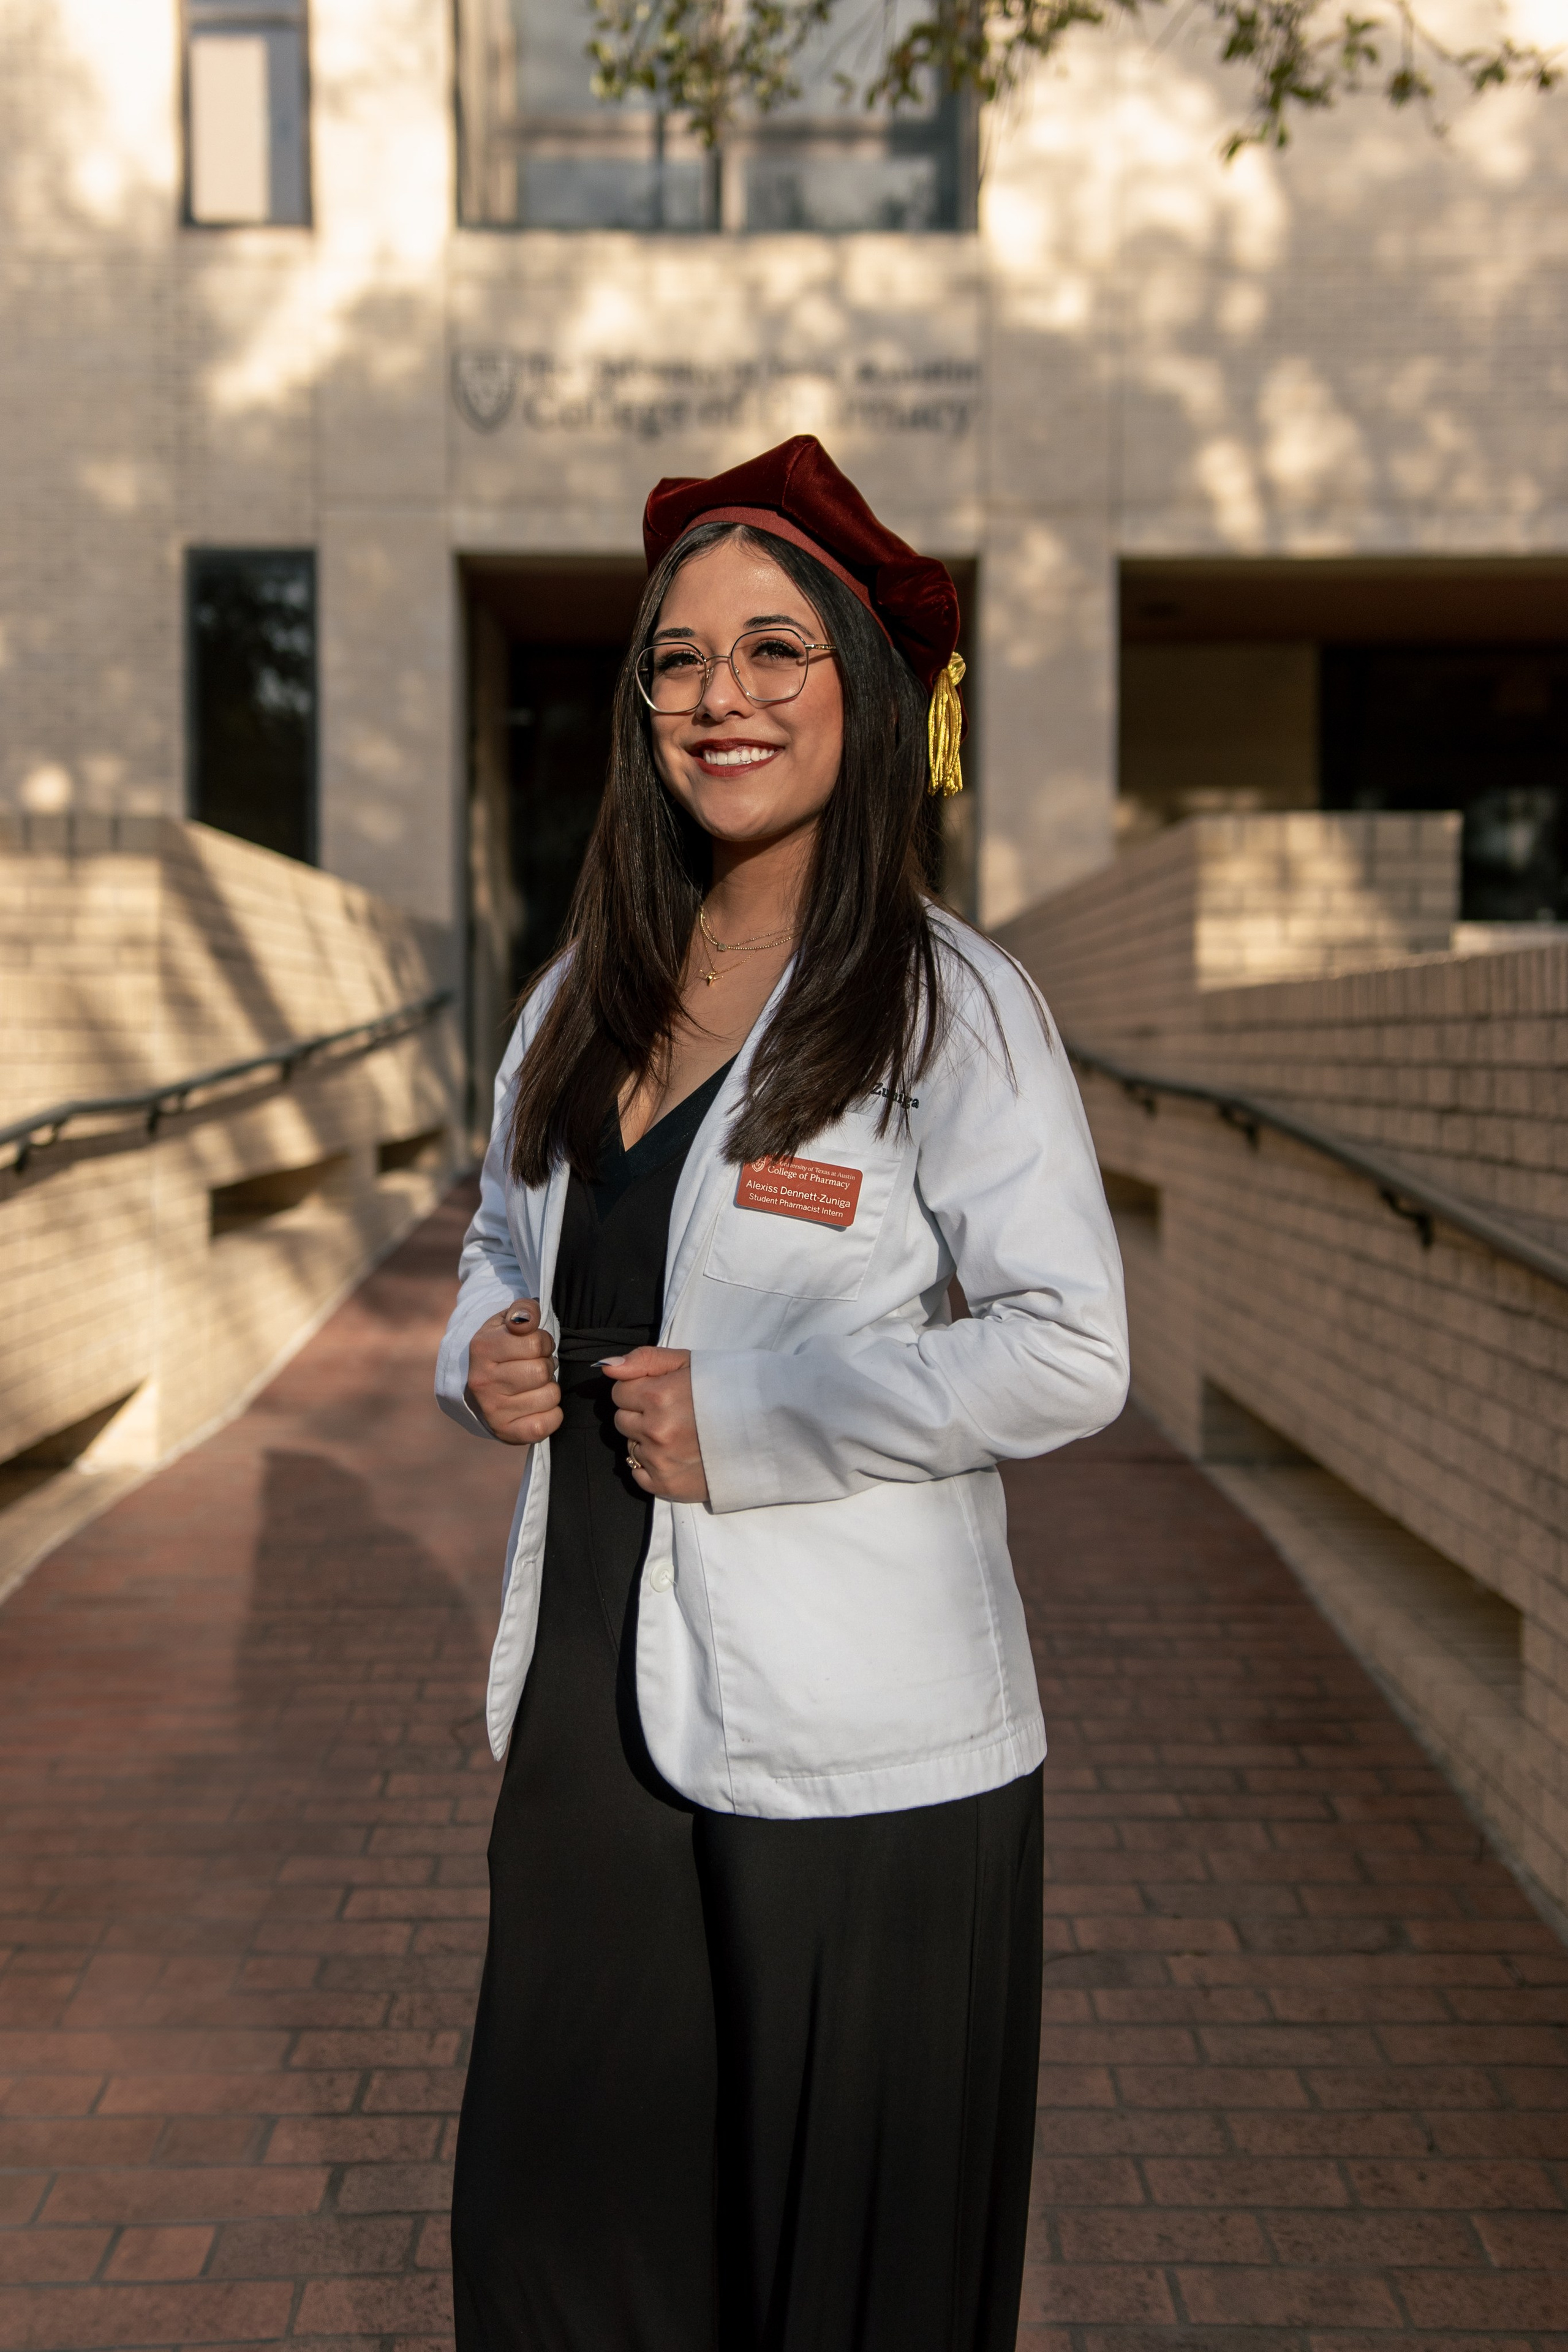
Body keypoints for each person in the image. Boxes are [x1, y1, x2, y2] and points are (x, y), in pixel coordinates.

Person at [436, 434, 1128, 2352]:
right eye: (676, 658)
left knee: (838, 2277)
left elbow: (1074, 1345)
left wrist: (758, 1417)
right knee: (560, 2237)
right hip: (588, 1706)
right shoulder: (582, 989)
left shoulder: (949, 1004)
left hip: (862, 1747)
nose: (717, 695)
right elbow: (502, 1246)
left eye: (772, 651)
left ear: (870, 695)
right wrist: (471, 1354)